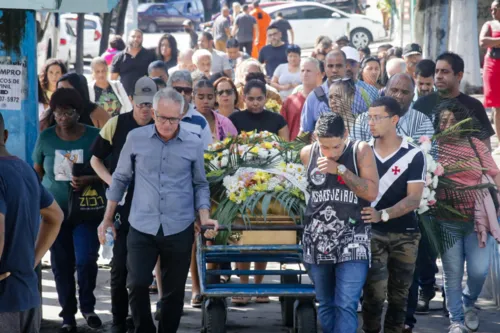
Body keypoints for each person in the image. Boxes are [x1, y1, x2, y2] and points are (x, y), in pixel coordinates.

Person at [100, 88, 218, 333]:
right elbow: (120, 178)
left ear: (181, 116)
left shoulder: (193, 143)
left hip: (179, 225)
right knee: (137, 283)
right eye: (162, 117)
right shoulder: (136, 138)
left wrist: (204, 217)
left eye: (173, 119)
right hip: (142, 224)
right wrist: (107, 219)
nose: (167, 124)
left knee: (174, 295)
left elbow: (200, 184)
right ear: (153, 113)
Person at [300, 112, 379, 333]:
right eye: (325, 147)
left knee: (346, 304)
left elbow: (371, 192)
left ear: (345, 134)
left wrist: (341, 170)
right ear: (315, 138)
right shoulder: (307, 154)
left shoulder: (360, 150)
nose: (331, 153)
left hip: (353, 238)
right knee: (325, 302)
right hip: (317, 239)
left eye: (336, 147)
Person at [33, 88, 102, 333]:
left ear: (78, 112)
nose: (62, 118)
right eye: (58, 113)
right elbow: (38, 171)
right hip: (55, 213)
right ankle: (68, 316)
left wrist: (89, 179)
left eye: (68, 112)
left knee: (86, 260)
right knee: (61, 266)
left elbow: (108, 170)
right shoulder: (47, 137)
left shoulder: (94, 136)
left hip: (86, 211)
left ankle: (88, 307)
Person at [90, 77, 156, 333]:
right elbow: (96, 159)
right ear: (132, 100)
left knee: (140, 273)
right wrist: (113, 183)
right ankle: (118, 320)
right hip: (120, 207)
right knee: (118, 268)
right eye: (141, 103)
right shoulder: (117, 123)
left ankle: (140, 320)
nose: (145, 109)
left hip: (152, 208)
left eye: (150, 104)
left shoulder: (162, 124)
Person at [433, 101, 500, 333]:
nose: (448, 126)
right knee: (452, 272)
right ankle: (456, 320)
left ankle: (469, 302)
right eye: (443, 122)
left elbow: (495, 173)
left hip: (477, 220)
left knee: (478, 270)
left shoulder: (475, 145)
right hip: (446, 220)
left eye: (453, 121)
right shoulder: (432, 148)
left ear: (463, 123)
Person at [361, 96, 426, 333]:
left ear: (395, 120)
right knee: (373, 294)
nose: (371, 122)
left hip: (405, 235)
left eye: (377, 117)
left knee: (400, 297)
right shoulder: (363, 151)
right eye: (369, 117)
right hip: (371, 233)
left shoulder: (414, 154)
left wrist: (383, 214)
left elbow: (414, 198)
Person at [0, 113, 64, 333]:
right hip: (27, 295)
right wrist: (32, 260)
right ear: (5, 136)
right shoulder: (26, 170)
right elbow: (55, 216)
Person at [229, 79, 288, 305]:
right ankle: (244, 286)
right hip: (240, 186)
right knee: (243, 237)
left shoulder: (277, 120)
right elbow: (230, 149)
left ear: (267, 98)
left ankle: (259, 284)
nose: (255, 103)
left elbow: (286, 151)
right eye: (250, 99)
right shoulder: (235, 119)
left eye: (259, 99)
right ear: (243, 98)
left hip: (271, 185)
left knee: (263, 234)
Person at [413, 52, 495, 149]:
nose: (438, 76)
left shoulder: (474, 106)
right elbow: (411, 142)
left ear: (459, 75)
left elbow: (485, 148)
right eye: (436, 71)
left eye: (445, 71)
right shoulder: (421, 105)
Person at [352, 74, 434, 142]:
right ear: (385, 91)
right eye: (394, 90)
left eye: (405, 92)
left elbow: (428, 155)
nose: (399, 96)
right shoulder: (363, 120)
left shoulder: (422, 121)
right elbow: (354, 152)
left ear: (412, 96)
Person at [167, 70, 212, 148]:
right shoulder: (159, 116)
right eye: (178, 89)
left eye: (187, 91)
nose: (183, 94)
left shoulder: (201, 121)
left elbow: (208, 154)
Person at [280, 57, 323, 140]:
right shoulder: (290, 101)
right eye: (302, 70)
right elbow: (282, 128)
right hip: (294, 148)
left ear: (318, 74)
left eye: (309, 71)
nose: (305, 74)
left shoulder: (325, 99)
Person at [110, 29, 156, 97]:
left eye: (138, 37)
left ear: (142, 38)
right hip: (124, 99)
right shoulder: (118, 57)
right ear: (128, 37)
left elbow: (154, 77)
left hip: (145, 99)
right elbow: (113, 81)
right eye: (133, 36)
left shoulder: (150, 56)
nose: (136, 39)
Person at [480, 0, 500, 153]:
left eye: (497, 8)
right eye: (492, 9)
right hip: (493, 66)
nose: (493, 11)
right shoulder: (489, 25)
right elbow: (483, 41)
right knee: (497, 106)